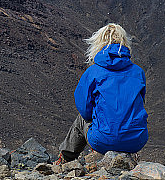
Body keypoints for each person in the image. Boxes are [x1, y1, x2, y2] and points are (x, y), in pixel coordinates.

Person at [57, 23, 148, 163]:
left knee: (81, 120)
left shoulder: (93, 72)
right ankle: (129, 156)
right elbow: (140, 103)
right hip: (137, 141)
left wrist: (98, 122)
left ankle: (65, 159)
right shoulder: (138, 72)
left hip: (103, 140)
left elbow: (84, 109)